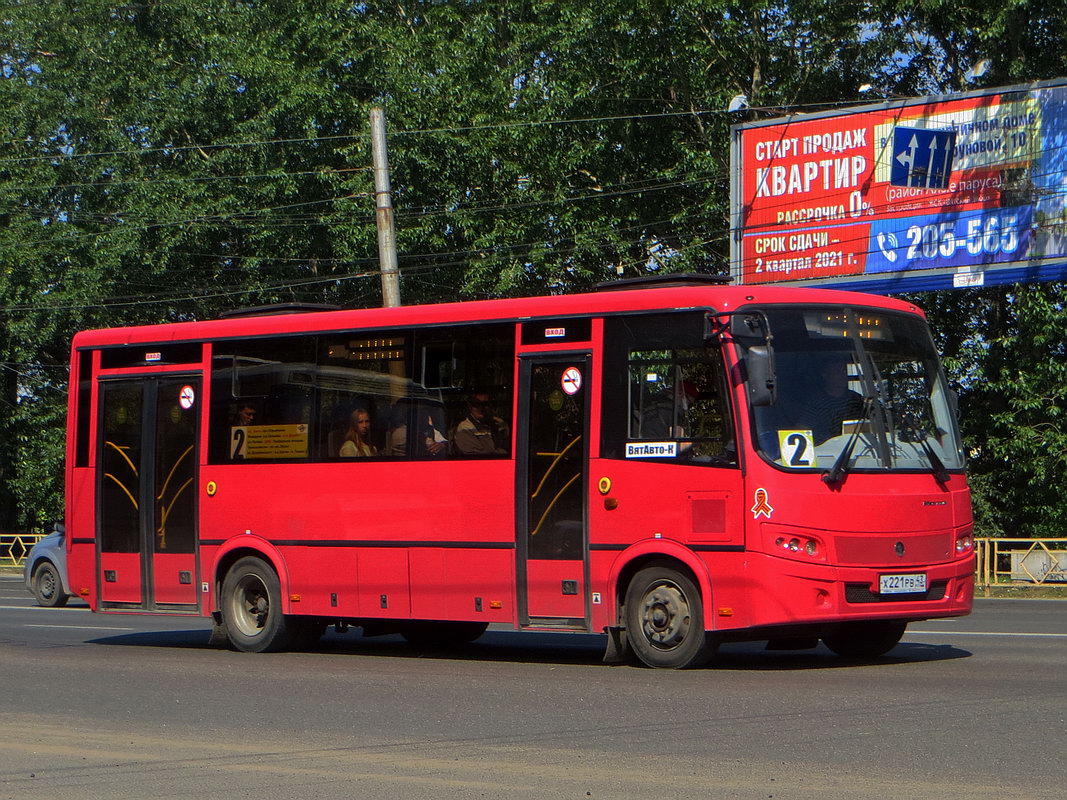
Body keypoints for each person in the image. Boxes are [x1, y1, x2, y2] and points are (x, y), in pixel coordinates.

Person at [799, 355, 865, 444]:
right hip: (827, 453)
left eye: (844, 371)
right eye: (837, 372)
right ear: (825, 376)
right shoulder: (816, 404)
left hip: (858, 450)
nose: (843, 375)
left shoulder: (856, 399)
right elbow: (803, 430)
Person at [452, 392, 509, 456]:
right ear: (470, 406)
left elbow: (510, 449)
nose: (481, 408)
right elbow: (479, 457)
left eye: (485, 404)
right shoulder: (465, 428)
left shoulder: (499, 423)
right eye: (476, 404)